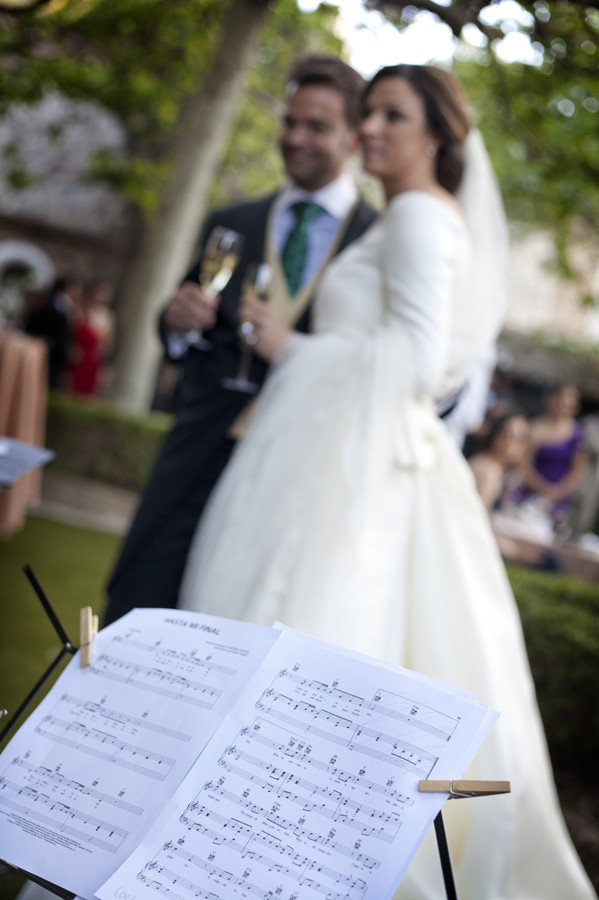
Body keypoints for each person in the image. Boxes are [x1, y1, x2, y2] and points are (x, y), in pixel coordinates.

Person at [179, 65, 596, 898]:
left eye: (391, 116)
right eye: (365, 112)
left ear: (438, 134)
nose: (370, 128)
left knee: (306, 625)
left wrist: (289, 348)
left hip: (348, 461)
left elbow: (413, 362)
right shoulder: (415, 216)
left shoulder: (413, 217)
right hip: (339, 444)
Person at [103, 54, 377, 626]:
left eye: (316, 127)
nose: (295, 137)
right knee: (137, 610)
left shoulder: (376, 241)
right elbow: (176, 320)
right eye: (290, 122)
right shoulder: (233, 222)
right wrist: (175, 323)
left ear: (354, 138)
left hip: (293, 476)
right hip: (196, 456)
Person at [515, 383, 588, 531]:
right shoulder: (535, 427)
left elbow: (577, 469)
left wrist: (558, 491)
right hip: (530, 491)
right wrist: (542, 488)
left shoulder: (578, 434)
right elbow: (523, 462)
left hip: (559, 497)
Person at [468, 409, 530, 511]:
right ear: (496, 436)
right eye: (509, 436)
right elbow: (476, 516)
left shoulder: (493, 466)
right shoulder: (488, 472)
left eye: (521, 439)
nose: (512, 444)